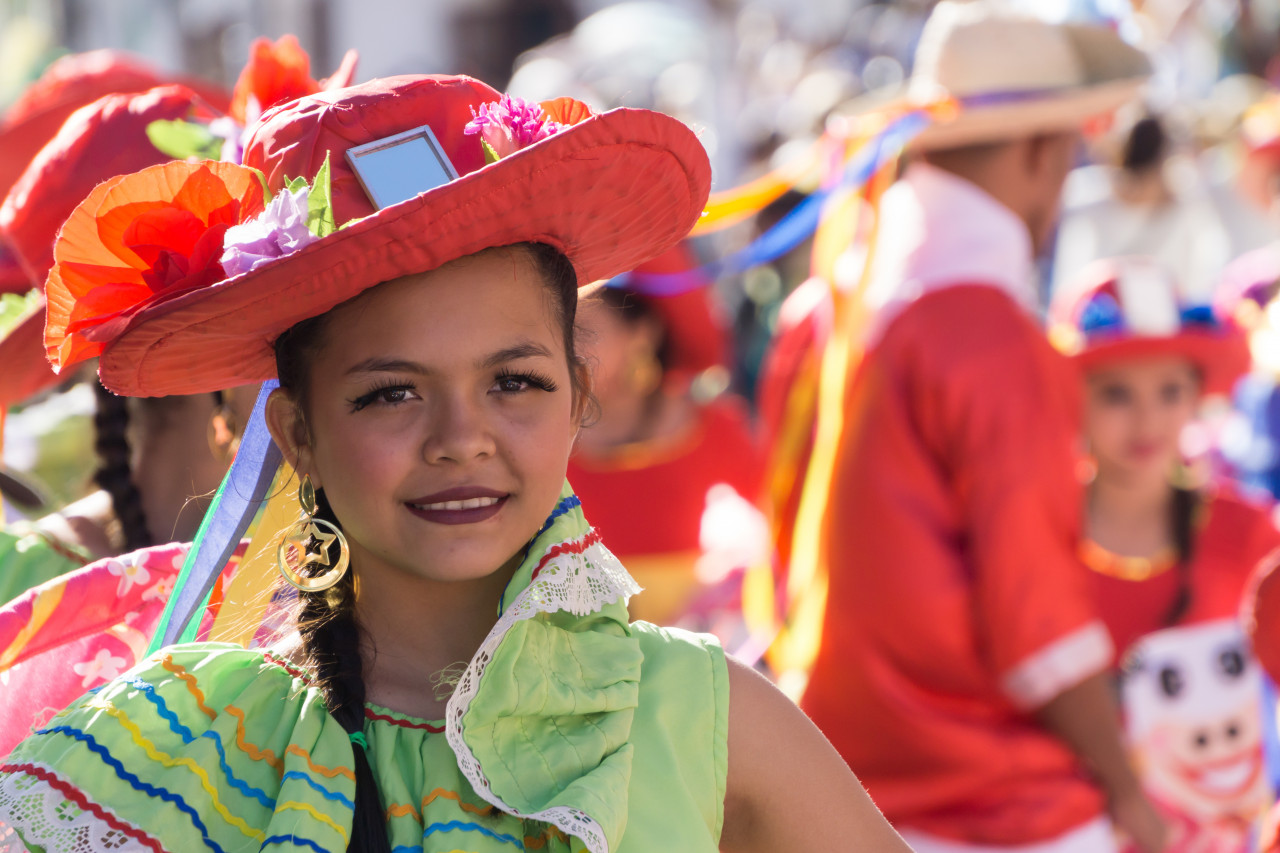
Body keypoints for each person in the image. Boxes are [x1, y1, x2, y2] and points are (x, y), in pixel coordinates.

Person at [0, 75, 911, 852]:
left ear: (579, 397)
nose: (461, 436)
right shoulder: (169, 747)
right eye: (391, 392)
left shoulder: (703, 715)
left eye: (515, 381)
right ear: (295, 432)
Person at [773, 4, 1164, 851]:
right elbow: (1035, 618)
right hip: (980, 794)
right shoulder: (987, 333)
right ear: (1037, 153)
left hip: (828, 763)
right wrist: (1129, 788)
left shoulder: (830, 300)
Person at [1050, 257, 1275, 851]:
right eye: (1117, 393)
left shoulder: (1249, 532)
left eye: (1170, 391)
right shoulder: (1033, 540)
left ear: (1199, 395)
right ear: (1072, 398)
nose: (1147, 419)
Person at [569, 244, 764, 631]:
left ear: (642, 335)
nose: (563, 351)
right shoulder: (538, 449)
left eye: (581, 333)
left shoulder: (719, 433)